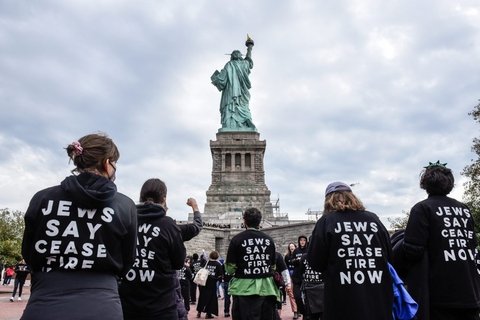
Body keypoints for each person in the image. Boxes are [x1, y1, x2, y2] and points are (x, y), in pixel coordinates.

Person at [20, 133, 137, 320]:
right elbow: (128, 259)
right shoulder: (125, 206)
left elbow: (29, 252)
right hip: (103, 304)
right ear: (107, 163)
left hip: (45, 301)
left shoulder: (42, 198)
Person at [398, 161, 480, 320]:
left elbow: (413, 250)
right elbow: (472, 245)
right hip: (470, 291)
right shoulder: (464, 209)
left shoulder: (422, 208)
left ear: (424, 184)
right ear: (450, 183)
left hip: (440, 294)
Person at [307, 181, 393, 320]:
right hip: (377, 297)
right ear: (352, 197)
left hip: (342, 298)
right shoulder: (373, 219)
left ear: (329, 200)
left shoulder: (326, 222)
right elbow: (389, 254)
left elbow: (315, 262)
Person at [119, 178, 186, 320]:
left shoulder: (126, 220)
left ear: (140, 197)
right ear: (164, 199)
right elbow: (179, 262)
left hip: (128, 305)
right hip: (162, 307)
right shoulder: (168, 225)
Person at [225, 207, 280, 320]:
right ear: (259, 222)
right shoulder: (269, 240)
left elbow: (230, 269)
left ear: (244, 221)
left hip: (242, 290)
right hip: (267, 289)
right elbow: (273, 266)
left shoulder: (236, 240)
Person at [211, 36, 256, 131]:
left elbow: (248, 59)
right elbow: (248, 60)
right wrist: (249, 48)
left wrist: (249, 48)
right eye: (236, 53)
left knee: (238, 105)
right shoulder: (236, 64)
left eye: (236, 53)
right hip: (235, 91)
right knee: (236, 105)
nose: (236, 54)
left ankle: (239, 122)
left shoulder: (236, 64)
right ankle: (234, 124)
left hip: (236, 91)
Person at [295, 253, 324, 320]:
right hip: (311, 289)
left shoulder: (305, 256)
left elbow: (301, 271)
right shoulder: (305, 256)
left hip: (317, 288)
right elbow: (301, 270)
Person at [196, 250, 223, 319]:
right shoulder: (218, 264)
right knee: (211, 299)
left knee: (202, 298)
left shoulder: (206, 263)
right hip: (212, 284)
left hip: (204, 283)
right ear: (217, 257)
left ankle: (199, 312)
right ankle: (208, 314)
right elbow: (220, 275)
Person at [292, 235, 309, 317]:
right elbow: (291, 261)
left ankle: (307, 315)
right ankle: (303, 312)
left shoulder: (308, 250)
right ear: (299, 241)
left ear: (306, 242)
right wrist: (297, 260)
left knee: (307, 298)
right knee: (297, 296)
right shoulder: (296, 251)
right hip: (296, 277)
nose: (302, 242)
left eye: (304, 240)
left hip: (306, 277)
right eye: (301, 240)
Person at [284, 243, 298, 318]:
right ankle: (295, 311)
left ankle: (300, 309)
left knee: (298, 295)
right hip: (290, 277)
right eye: (290, 247)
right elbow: (285, 268)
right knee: (291, 293)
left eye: (293, 246)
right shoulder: (287, 256)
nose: (292, 248)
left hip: (299, 277)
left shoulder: (299, 255)